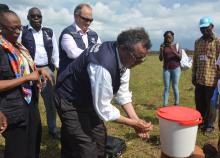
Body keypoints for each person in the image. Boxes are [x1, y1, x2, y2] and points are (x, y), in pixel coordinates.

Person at [55, 28, 153, 158]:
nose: (139, 63)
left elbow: (122, 94)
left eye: (143, 59)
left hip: (88, 99)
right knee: (85, 147)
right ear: (123, 48)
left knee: (99, 139)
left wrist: (136, 120)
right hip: (69, 99)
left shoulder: (123, 59)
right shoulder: (103, 65)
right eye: (137, 58)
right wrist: (133, 123)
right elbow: (103, 108)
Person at [0, 10, 52, 158]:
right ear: (1, 28)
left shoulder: (19, 48)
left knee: (33, 144)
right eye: (13, 28)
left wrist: (39, 71)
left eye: (19, 27)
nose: (17, 31)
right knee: (18, 150)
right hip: (12, 109)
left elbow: (27, 70)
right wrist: (26, 78)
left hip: (29, 105)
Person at [21, 7, 60, 139]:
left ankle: (53, 129)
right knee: (31, 102)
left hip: (47, 70)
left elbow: (55, 52)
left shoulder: (49, 32)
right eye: (33, 16)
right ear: (28, 17)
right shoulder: (23, 32)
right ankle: (32, 128)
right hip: (30, 71)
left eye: (39, 16)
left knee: (50, 102)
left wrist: (58, 67)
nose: (37, 18)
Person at [192, 16, 220, 134]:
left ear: (212, 26)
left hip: (212, 79)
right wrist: (193, 75)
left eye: (206, 28)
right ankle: (201, 122)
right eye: (202, 28)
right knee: (200, 102)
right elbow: (195, 59)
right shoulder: (198, 42)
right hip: (200, 78)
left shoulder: (218, 42)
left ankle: (210, 126)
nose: (204, 30)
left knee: (211, 104)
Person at [58, 3, 101, 75]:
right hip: (69, 79)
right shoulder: (67, 34)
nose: (88, 23)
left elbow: (101, 51)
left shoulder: (94, 35)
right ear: (76, 16)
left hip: (86, 78)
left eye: (91, 20)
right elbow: (73, 53)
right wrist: (94, 54)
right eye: (85, 19)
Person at [159, 31, 182, 106]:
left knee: (175, 86)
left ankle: (176, 104)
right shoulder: (163, 46)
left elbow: (180, 57)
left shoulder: (177, 45)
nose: (168, 39)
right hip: (166, 69)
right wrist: (161, 50)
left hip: (176, 69)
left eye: (169, 37)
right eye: (166, 37)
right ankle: (165, 105)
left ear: (172, 37)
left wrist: (172, 48)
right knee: (166, 87)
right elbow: (160, 59)